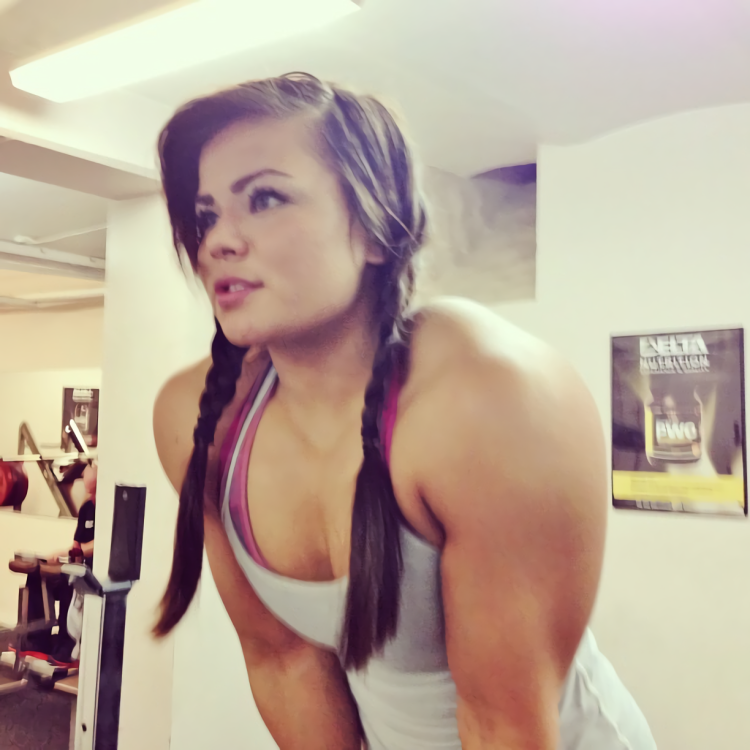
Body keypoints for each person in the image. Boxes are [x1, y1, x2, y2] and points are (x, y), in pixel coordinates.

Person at [152, 73, 656, 750]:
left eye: (265, 198)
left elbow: (502, 724)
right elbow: (283, 659)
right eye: (207, 213)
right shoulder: (200, 419)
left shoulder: (485, 400)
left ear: (373, 230)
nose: (217, 241)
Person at [14, 462, 96, 668]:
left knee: (72, 579)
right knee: (37, 575)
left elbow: (102, 544)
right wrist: (59, 557)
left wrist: (65, 553)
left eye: (90, 467)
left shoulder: (112, 510)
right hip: (77, 566)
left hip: (94, 575)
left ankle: (67, 646)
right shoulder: (87, 508)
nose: (84, 472)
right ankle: (36, 640)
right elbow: (76, 544)